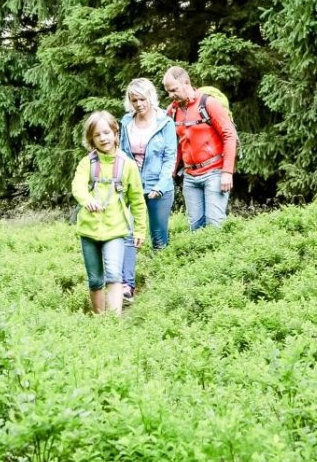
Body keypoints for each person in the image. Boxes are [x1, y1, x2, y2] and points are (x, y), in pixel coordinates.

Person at [72, 111, 149, 316]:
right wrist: (87, 200)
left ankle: (114, 322)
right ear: (91, 139)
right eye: (97, 135)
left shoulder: (128, 165)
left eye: (107, 132)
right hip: (89, 231)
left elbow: (137, 201)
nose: (103, 138)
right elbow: (78, 187)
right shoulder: (86, 163)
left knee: (114, 275)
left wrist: (140, 230)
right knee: (95, 279)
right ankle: (99, 319)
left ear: (116, 133)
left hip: (116, 230)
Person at [120, 78, 177, 303]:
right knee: (129, 234)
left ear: (150, 97)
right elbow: (123, 154)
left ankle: (160, 286)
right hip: (133, 187)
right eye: (134, 100)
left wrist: (160, 187)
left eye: (142, 99)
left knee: (158, 238)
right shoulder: (126, 122)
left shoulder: (165, 122)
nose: (138, 104)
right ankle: (128, 286)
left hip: (158, 188)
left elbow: (170, 158)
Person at [162, 65, 238, 230]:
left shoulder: (208, 103)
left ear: (186, 82)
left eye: (174, 89)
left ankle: (219, 256)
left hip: (215, 172)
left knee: (215, 224)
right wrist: (171, 171)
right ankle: (199, 256)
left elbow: (229, 135)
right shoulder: (172, 111)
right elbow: (172, 143)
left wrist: (227, 172)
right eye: (168, 91)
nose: (170, 95)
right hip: (190, 176)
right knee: (195, 226)